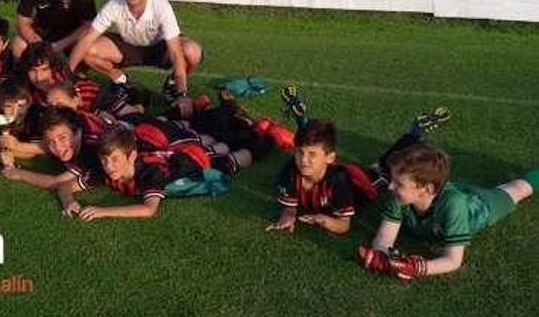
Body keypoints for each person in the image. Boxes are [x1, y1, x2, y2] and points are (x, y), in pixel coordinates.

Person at [267, 85, 449, 235]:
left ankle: (416, 131)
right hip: (334, 172)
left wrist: (326, 221)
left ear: (331, 158)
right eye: (299, 153)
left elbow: (344, 225)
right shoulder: (293, 169)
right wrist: (287, 215)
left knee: (385, 168)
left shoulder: (338, 182)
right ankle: (303, 122)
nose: (303, 160)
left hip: (361, 182)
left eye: (311, 155)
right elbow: (290, 206)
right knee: (308, 146)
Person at [360, 144, 537, 280]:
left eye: (399, 183)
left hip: (477, 208)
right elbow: (385, 237)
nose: (390, 187)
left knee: (519, 189)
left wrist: (417, 268)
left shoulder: (454, 205)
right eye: (393, 180)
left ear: (426, 188)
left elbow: (453, 260)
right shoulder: (399, 196)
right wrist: (383, 256)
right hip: (444, 194)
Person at [68, 0, 202, 118]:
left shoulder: (161, 6)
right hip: (129, 47)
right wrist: (67, 76)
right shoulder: (114, 5)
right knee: (87, 49)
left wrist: (182, 95)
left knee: (192, 51)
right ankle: (120, 79)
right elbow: (87, 39)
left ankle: (174, 85)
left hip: (158, 48)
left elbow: (174, 52)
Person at [57, 123, 251, 221]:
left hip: (190, 163)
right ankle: (244, 128)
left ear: (131, 156)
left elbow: (149, 209)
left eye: (114, 159)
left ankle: (262, 134)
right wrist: (69, 200)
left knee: (236, 159)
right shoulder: (107, 171)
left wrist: (103, 211)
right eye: (104, 160)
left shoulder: (149, 173)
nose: (109, 165)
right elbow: (65, 186)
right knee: (218, 144)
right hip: (174, 154)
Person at [20, 41, 99, 112]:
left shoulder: (75, 87)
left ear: (53, 68)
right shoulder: (33, 95)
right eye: (32, 71)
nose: (38, 77)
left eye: (44, 69)